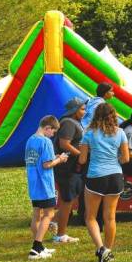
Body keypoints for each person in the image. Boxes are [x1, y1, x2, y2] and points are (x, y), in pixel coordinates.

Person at [78, 103, 129, 262]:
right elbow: (126, 159)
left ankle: (101, 248)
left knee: (91, 216)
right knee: (110, 217)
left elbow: (82, 160)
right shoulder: (120, 132)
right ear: (113, 115)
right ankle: (108, 250)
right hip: (115, 176)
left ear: (96, 115)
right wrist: (115, 161)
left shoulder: (89, 133)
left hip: (96, 176)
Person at [25, 115, 68, 260]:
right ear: (47, 128)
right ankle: (36, 248)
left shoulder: (31, 140)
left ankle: (40, 246)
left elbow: (38, 159)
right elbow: (47, 164)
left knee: (37, 214)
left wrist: (53, 156)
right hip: (44, 184)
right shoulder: (46, 141)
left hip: (34, 184)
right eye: (53, 131)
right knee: (48, 214)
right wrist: (60, 159)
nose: (53, 134)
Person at [53, 97, 87, 244]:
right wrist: (80, 154)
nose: (84, 112)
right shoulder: (68, 123)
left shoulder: (75, 122)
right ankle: (60, 235)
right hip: (67, 168)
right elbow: (64, 144)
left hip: (73, 167)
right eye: (82, 109)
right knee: (67, 201)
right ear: (74, 110)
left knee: (69, 199)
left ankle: (50, 222)